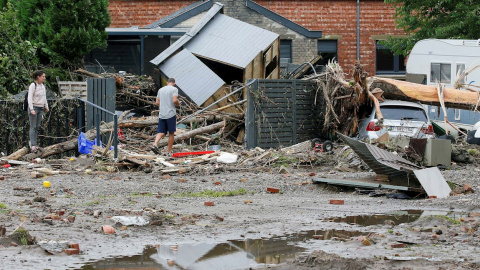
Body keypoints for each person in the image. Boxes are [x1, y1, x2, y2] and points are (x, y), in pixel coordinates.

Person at [152, 78, 180, 155]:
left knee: (161, 132)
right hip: (170, 114)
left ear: (167, 82)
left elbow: (157, 102)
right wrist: (178, 104)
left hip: (162, 114)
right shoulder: (174, 89)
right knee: (171, 133)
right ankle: (169, 151)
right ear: (174, 83)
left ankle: (155, 144)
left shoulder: (160, 90)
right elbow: (175, 100)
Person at [28, 70, 49, 153]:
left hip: (41, 108)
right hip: (34, 107)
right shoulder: (33, 85)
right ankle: (32, 144)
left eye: (44, 76)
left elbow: (44, 97)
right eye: (43, 76)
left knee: (37, 126)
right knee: (33, 127)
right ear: (38, 77)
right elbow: (29, 97)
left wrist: (46, 106)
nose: (44, 78)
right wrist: (31, 109)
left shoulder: (43, 85)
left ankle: (34, 143)